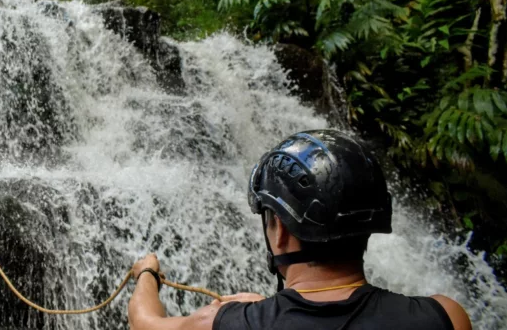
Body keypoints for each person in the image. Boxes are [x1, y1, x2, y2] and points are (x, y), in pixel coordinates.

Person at [127, 130, 473, 330]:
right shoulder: (445, 317)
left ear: (280, 231)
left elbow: (146, 322)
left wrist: (147, 273)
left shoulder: (225, 323)